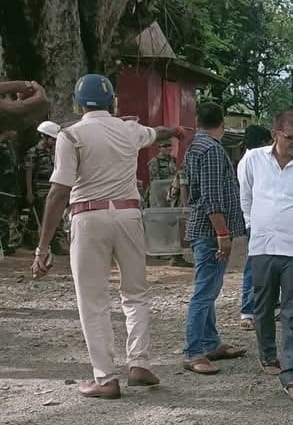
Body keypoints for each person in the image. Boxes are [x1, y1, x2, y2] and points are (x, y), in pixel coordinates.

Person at [30, 74, 182, 398]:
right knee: (135, 292)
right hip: (128, 214)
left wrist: (42, 247)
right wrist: (177, 130)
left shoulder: (70, 135)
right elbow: (160, 133)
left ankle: (105, 378)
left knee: (93, 299)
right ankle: (138, 362)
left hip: (88, 216)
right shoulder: (129, 130)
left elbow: (58, 193)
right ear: (113, 103)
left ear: (77, 103)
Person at [238, 109, 293, 400]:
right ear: (276, 134)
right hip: (262, 246)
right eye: (291, 137)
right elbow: (246, 198)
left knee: (292, 311)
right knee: (262, 307)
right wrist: (256, 225)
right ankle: (267, 355)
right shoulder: (252, 160)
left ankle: (291, 373)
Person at [181, 102, 248, 375]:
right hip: (210, 231)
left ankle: (209, 342)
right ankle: (194, 350)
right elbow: (211, 195)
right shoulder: (210, 149)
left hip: (206, 229)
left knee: (209, 288)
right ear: (222, 121)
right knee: (205, 291)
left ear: (197, 120)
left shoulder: (196, 146)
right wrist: (222, 233)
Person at [238, 125, 274, 328]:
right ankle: (248, 309)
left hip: (260, 220)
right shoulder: (251, 161)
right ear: (262, 142)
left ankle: (265, 306)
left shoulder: (254, 159)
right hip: (255, 221)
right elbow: (247, 195)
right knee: (254, 265)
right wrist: (252, 220)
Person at [145, 140, 191, 267]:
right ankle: (162, 251)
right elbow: (155, 180)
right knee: (160, 224)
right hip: (160, 197)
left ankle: (173, 253)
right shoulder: (155, 162)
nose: (167, 148)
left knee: (173, 224)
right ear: (159, 148)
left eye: (169, 145)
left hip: (172, 196)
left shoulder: (174, 160)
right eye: (164, 146)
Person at [23, 121, 66, 255]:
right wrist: (29, 192)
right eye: (52, 139)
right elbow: (28, 172)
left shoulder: (54, 152)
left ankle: (55, 245)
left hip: (52, 187)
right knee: (44, 217)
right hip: (40, 189)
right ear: (43, 136)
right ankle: (45, 245)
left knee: (56, 216)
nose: (54, 142)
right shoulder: (33, 152)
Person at [0, 130, 20, 255]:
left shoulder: (8, 145)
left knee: (5, 216)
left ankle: (5, 243)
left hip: (8, 186)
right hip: (2, 184)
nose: (14, 133)